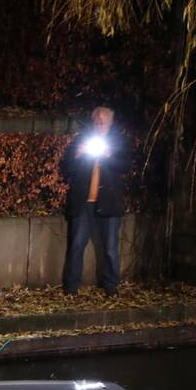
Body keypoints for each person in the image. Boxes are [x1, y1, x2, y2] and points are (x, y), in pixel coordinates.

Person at [61, 106, 131, 296]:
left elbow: (126, 165)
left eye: (103, 121)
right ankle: (71, 287)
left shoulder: (118, 142)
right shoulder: (82, 140)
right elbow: (66, 167)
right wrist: (77, 155)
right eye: (96, 121)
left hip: (109, 203)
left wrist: (109, 156)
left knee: (110, 247)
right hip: (84, 203)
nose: (99, 124)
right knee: (76, 245)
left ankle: (111, 286)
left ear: (110, 122)